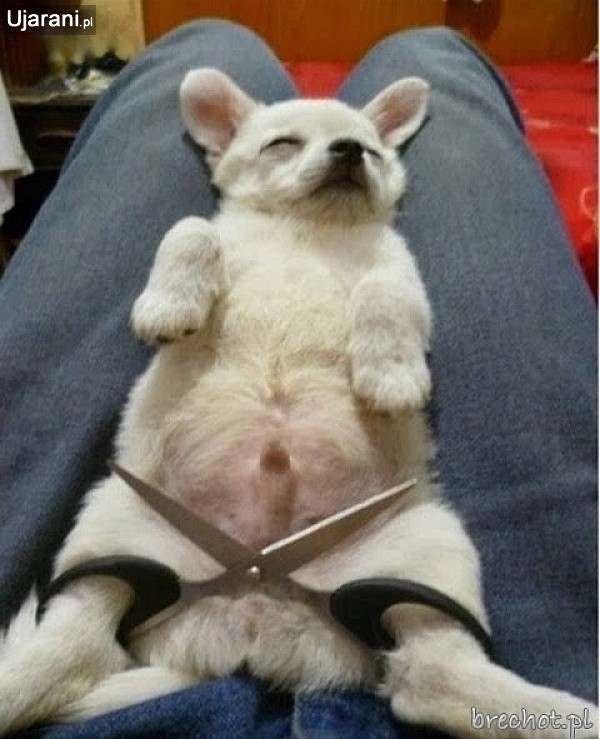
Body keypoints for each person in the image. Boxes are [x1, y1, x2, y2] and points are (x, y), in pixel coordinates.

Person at [0, 21, 596, 738]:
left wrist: (386, 323)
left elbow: (401, 301)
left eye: (367, 147)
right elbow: (187, 266)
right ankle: (67, 652)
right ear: (222, 150)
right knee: (115, 514)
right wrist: (186, 258)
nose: (342, 152)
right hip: (170, 540)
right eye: (284, 144)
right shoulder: (218, 233)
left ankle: (448, 675)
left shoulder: (381, 253)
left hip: (363, 557)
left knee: (428, 532)